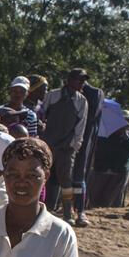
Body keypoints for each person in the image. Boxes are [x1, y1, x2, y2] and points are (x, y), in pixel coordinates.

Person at [40, 68, 89, 225]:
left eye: (83, 80)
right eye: (79, 80)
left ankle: (68, 213)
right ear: (69, 80)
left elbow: (81, 125)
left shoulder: (81, 101)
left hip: (66, 147)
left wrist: (75, 145)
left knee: (66, 180)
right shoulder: (53, 95)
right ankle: (42, 209)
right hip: (47, 143)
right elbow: (42, 114)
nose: (82, 83)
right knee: (43, 176)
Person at [88, 101, 129, 208]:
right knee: (95, 197)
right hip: (101, 169)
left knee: (113, 199)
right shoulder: (105, 133)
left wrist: (124, 134)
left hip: (119, 171)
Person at [71, 78, 105, 227]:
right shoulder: (66, 94)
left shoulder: (94, 94)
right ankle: (69, 208)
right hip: (68, 141)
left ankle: (79, 210)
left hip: (83, 142)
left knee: (79, 176)